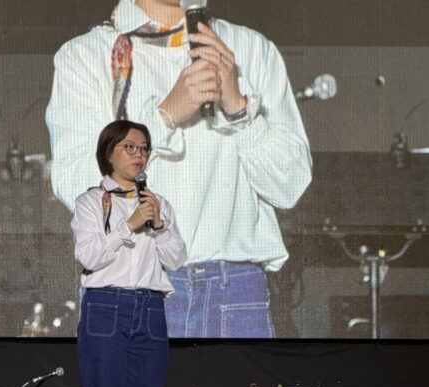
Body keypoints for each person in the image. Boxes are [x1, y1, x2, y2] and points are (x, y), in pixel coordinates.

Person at [46, 0, 312, 338]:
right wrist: (163, 118)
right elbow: (78, 186)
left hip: (234, 290)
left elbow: (290, 186)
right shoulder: (86, 56)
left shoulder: (250, 49)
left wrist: (238, 109)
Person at [72, 119, 187, 387]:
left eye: (144, 148)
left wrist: (159, 225)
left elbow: (176, 259)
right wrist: (128, 225)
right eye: (130, 147)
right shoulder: (91, 202)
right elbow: (89, 256)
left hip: (151, 308)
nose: (139, 155)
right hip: (106, 307)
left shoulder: (157, 202)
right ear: (109, 153)